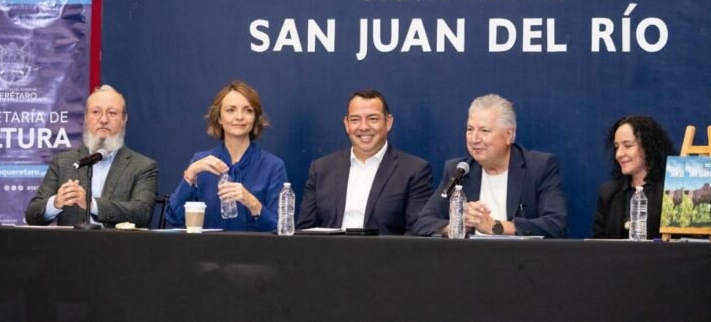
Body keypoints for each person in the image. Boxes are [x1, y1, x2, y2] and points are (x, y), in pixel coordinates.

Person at [413, 94, 567, 237]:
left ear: (509, 135)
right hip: (469, 256)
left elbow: (556, 224)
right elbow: (423, 222)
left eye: (484, 131)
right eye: (470, 129)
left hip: (521, 256)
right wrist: (456, 226)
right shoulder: (459, 170)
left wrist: (494, 226)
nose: (474, 139)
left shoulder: (538, 167)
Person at [297, 90, 433, 235]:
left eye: (372, 119)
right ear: (346, 124)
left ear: (388, 122)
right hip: (329, 249)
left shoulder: (414, 170)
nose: (364, 127)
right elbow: (305, 230)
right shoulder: (321, 169)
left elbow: (416, 232)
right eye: (355, 120)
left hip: (384, 250)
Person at [25, 85, 158, 228]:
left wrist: (91, 204)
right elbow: (32, 215)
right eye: (96, 112)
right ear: (86, 118)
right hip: (71, 242)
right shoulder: (63, 162)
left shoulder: (142, 166)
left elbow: (142, 214)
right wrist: (56, 203)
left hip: (117, 242)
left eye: (112, 113)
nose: (104, 119)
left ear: (124, 120)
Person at [166, 81, 287, 231]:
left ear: (255, 118)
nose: (239, 117)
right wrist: (190, 175)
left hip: (255, 246)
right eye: (231, 110)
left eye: (248, 110)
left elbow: (281, 230)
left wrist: (252, 202)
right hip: (208, 246)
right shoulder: (200, 163)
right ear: (219, 118)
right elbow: (173, 218)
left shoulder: (273, 166)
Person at [592, 115, 675, 239]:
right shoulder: (608, 193)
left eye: (628, 145)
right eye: (617, 147)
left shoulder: (671, 192)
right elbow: (597, 243)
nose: (619, 154)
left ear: (648, 147)